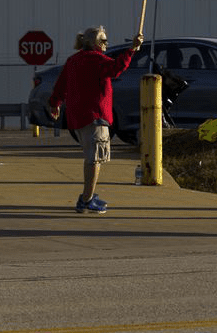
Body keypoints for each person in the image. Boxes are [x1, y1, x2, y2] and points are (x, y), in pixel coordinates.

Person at [46, 26, 145, 214]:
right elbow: (116, 69)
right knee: (95, 159)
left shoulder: (73, 61)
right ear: (93, 43)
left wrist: (55, 103)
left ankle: (88, 194)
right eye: (103, 40)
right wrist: (132, 49)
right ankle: (86, 199)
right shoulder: (96, 60)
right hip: (96, 116)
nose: (106, 44)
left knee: (90, 157)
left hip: (79, 118)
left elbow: (61, 84)